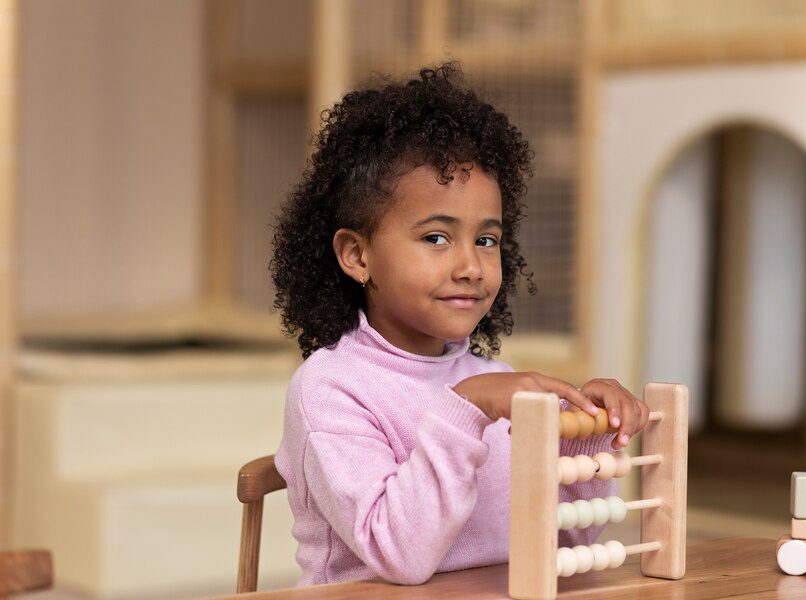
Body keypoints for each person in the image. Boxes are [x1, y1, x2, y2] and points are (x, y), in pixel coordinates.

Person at [270, 62, 649, 586]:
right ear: (357, 255)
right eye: (436, 238)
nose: (470, 266)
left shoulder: (495, 377)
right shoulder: (331, 388)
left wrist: (584, 438)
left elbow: (569, 543)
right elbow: (401, 556)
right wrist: (467, 407)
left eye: (486, 240)